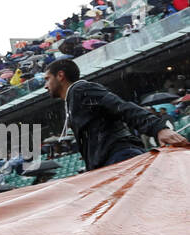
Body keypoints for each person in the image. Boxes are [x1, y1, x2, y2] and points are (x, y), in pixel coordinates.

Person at [44, 59, 188, 170]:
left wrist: (158, 129)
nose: (45, 85)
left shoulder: (81, 89)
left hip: (121, 157)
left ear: (60, 75)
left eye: (47, 79)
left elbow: (121, 107)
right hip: (109, 163)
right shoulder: (73, 98)